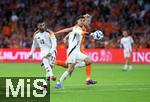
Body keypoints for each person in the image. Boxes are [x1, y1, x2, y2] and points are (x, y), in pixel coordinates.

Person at [55, 15, 97, 89]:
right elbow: (82, 33)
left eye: (83, 20)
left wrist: (59, 32)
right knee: (69, 67)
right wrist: (91, 34)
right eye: (80, 20)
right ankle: (58, 83)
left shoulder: (78, 28)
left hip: (77, 51)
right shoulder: (77, 28)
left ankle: (73, 66)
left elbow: (68, 29)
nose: (82, 22)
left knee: (88, 61)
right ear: (77, 21)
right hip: (72, 51)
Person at [28, 19, 57, 89]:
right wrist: (31, 53)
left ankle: (46, 84)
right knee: (47, 66)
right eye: (41, 25)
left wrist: (51, 52)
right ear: (38, 26)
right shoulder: (36, 34)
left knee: (50, 68)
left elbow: (54, 43)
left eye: (43, 25)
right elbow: (34, 45)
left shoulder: (50, 32)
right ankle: (51, 76)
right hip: (43, 52)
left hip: (52, 52)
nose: (42, 27)